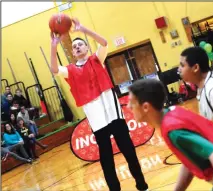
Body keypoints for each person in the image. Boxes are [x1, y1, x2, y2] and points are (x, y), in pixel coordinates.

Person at [50, 18, 148, 191]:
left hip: (114, 114)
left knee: (129, 152)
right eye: (74, 46)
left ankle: (142, 185)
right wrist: (53, 46)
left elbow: (104, 42)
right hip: (97, 121)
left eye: (80, 44)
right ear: (73, 53)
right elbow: (55, 70)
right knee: (106, 160)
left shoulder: (97, 59)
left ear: (87, 48)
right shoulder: (71, 70)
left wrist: (83, 30)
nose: (77, 47)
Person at [127, 79, 213, 191]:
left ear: (145, 107)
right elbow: (189, 160)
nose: (128, 106)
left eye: (131, 103)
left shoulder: (173, 130)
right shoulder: (171, 113)